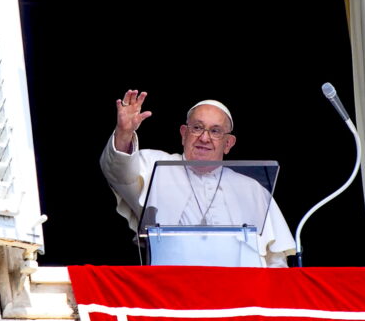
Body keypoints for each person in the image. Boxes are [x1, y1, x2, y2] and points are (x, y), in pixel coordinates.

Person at [100, 89, 296, 267]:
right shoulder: (154, 165)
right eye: (197, 128)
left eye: (215, 131)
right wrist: (124, 134)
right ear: (184, 134)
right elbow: (120, 172)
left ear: (228, 143)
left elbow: (275, 259)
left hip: (240, 298)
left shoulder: (252, 189)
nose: (204, 138)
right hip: (172, 292)